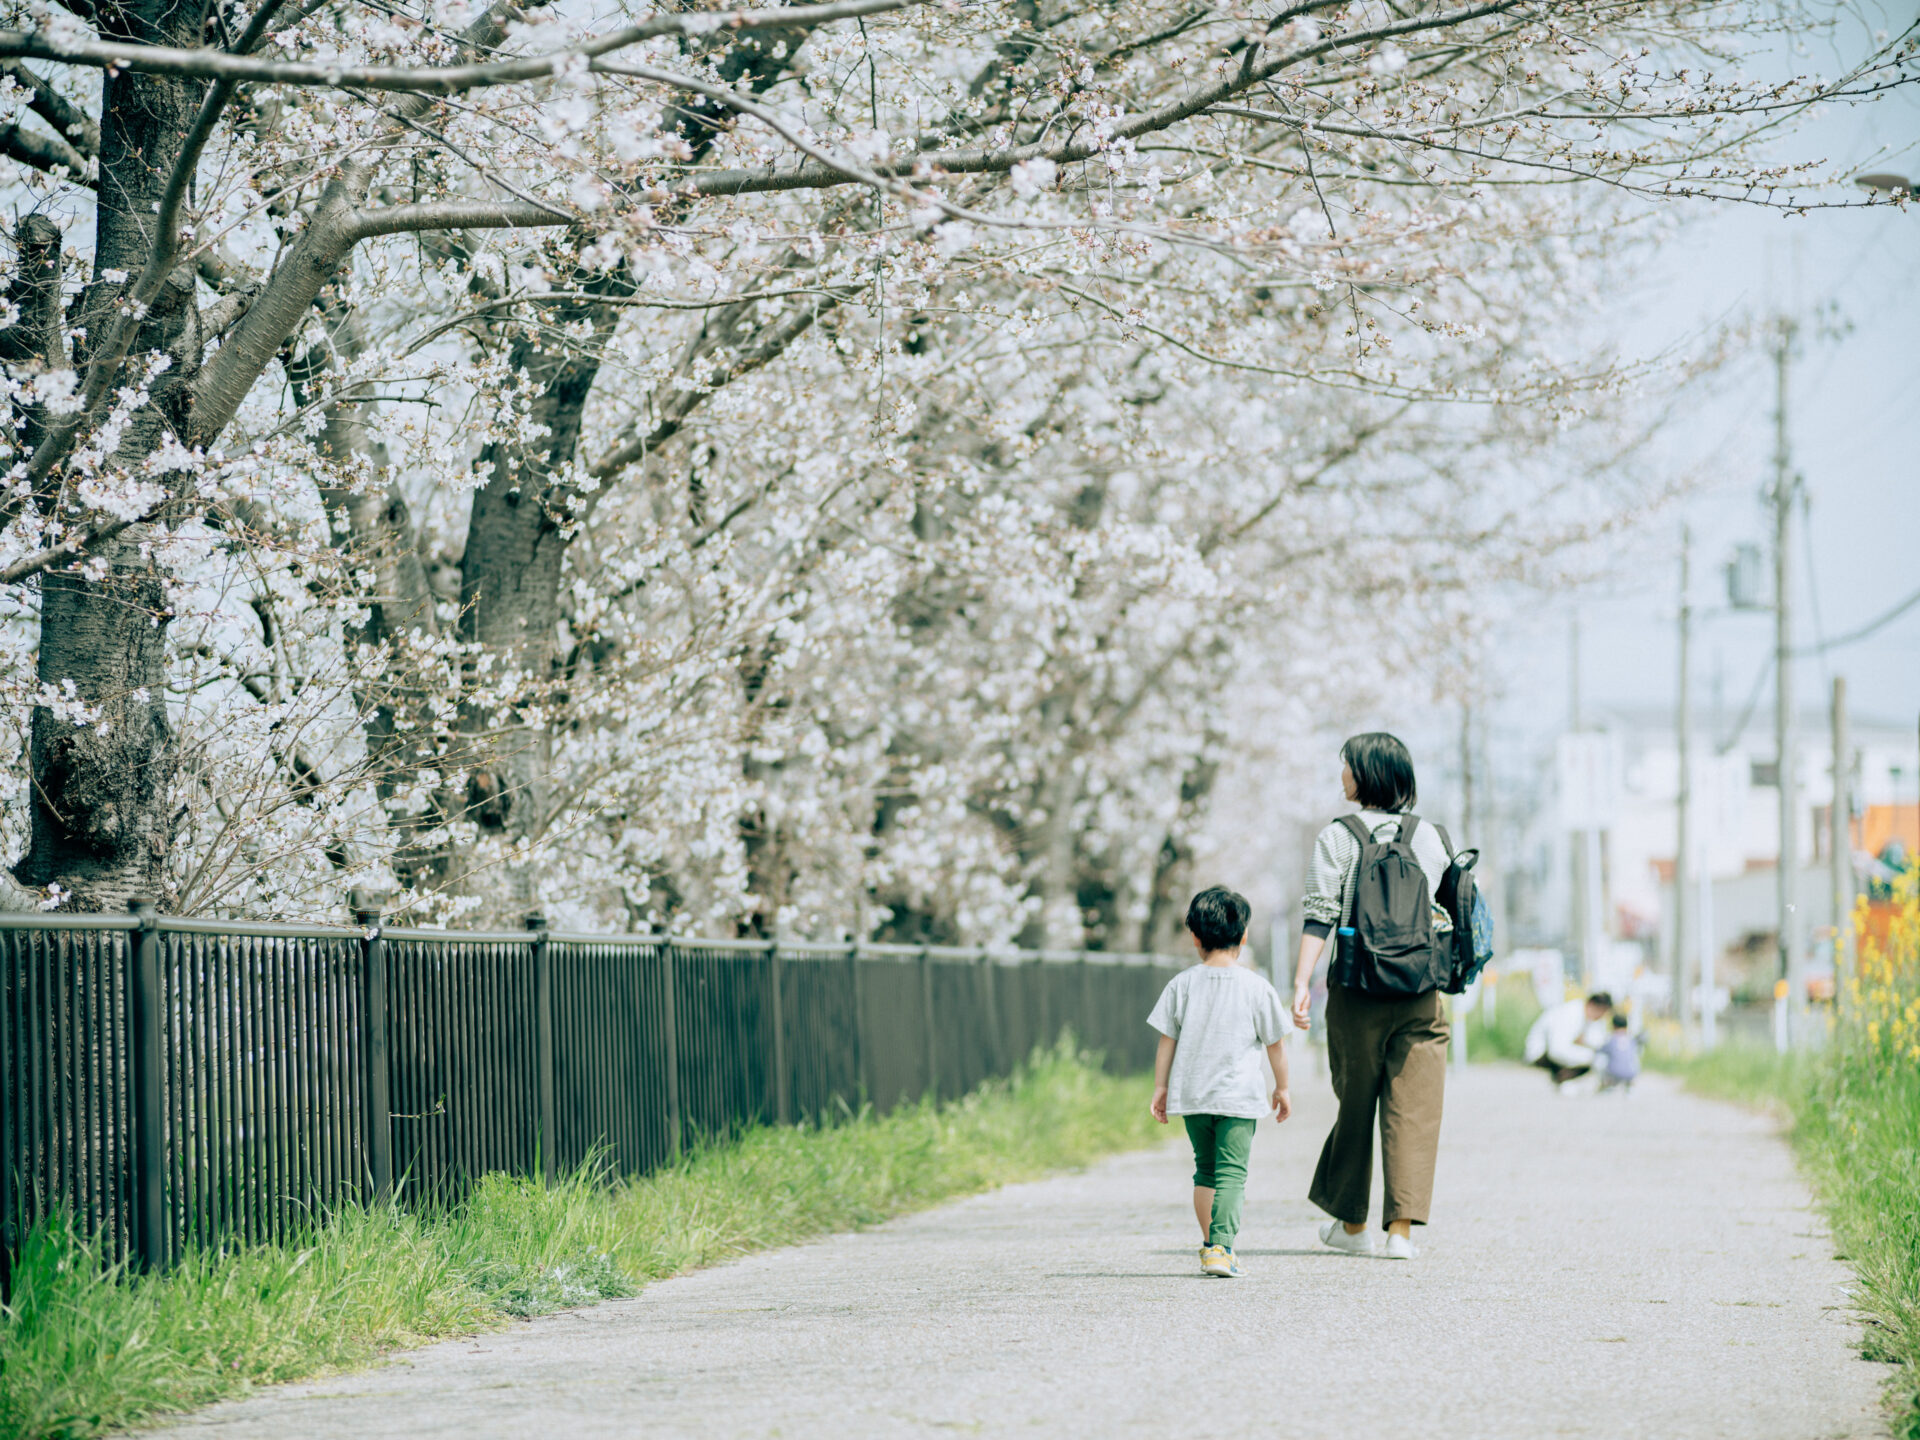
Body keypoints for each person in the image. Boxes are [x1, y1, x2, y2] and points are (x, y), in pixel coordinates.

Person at [1289, 733, 1454, 1262]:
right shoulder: (1431, 837)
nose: (1341, 775)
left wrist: (1300, 985)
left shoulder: (1338, 838)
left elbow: (1320, 914)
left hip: (1357, 989)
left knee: (1356, 1102)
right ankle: (1400, 1234)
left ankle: (1353, 1224)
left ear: (1364, 776)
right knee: (1415, 1110)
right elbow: (1451, 910)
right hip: (1420, 992)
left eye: (1346, 766)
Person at [1148, 885, 1292, 1279]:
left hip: (1193, 1096)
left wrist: (1160, 1088)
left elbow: (1167, 1041)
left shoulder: (1181, 984)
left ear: (1195, 937)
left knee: (1206, 1170)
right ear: (1243, 937)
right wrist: (1282, 1087)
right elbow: (1275, 1045)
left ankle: (1213, 1246)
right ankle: (1221, 1247)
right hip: (1237, 1098)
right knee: (1232, 1174)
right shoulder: (1256, 987)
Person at [1523, 991, 1614, 1089]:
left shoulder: (1585, 1015)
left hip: (1554, 1053)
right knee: (1593, 1059)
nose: (1601, 1017)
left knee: (1594, 1058)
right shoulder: (1571, 1013)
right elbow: (1556, 1050)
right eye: (1602, 1012)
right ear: (1593, 1005)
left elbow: (1598, 1041)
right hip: (1540, 1054)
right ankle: (1562, 1080)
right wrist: (1588, 1054)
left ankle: (1564, 1080)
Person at [1596, 1012, 1642, 1093]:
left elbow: (1600, 1050)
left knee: (1601, 1059)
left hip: (1614, 1072)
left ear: (1613, 1025)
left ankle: (1607, 1084)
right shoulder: (1632, 1039)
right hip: (1631, 1072)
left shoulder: (1611, 1038)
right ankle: (1630, 1085)